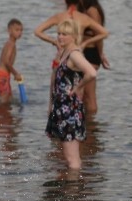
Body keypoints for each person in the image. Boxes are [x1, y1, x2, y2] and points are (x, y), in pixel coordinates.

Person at [45, 19, 97, 170]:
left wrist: (77, 88)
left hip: (70, 109)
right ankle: (72, 188)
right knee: (68, 157)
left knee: (72, 158)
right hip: (62, 107)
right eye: (59, 33)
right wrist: (51, 105)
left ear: (74, 35)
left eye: (65, 34)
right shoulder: (64, 52)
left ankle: (74, 189)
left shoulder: (74, 54)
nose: (60, 37)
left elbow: (91, 73)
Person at [34, 0, 108, 70]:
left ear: (65, 1)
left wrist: (54, 41)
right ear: (79, 1)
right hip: (79, 53)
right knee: (84, 79)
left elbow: (37, 31)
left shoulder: (59, 16)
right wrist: (85, 43)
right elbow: (104, 33)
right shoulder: (84, 18)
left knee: (59, 80)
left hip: (64, 55)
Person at [79, 0, 110, 114]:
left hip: (91, 53)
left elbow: (99, 34)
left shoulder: (92, 10)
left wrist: (101, 54)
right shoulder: (82, 8)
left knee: (89, 95)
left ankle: (92, 127)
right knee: (82, 95)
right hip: (83, 53)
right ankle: (86, 125)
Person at [0, 19, 24, 105]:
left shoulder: (10, 43)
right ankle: (2, 115)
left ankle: (5, 115)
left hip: (3, 74)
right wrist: (15, 74)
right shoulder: (11, 44)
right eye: (17, 30)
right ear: (9, 31)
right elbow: (6, 61)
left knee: (9, 97)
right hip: (2, 75)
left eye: (21, 30)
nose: (19, 33)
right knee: (4, 101)